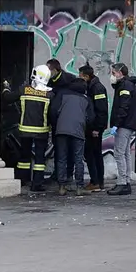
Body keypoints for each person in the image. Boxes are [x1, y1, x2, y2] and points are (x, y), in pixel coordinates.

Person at [1, 65, 54, 191]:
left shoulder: (24, 90)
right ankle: (37, 184)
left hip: (25, 131)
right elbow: (53, 113)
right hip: (42, 132)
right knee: (40, 160)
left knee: (24, 157)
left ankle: (23, 180)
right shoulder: (49, 94)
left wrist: (5, 88)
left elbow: (8, 98)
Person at [50, 78, 94, 196]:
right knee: (78, 159)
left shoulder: (62, 95)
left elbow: (53, 110)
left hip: (61, 129)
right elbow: (91, 117)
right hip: (78, 131)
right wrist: (85, 125)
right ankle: (79, 187)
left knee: (61, 158)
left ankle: (61, 187)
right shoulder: (86, 100)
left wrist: (56, 123)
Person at [107, 63, 136, 196]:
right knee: (125, 153)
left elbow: (124, 106)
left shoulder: (125, 86)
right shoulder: (125, 85)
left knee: (119, 153)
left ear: (120, 73)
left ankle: (122, 182)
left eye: (113, 73)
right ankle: (125, 181)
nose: (112, 75)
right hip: (127, 124)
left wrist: (117, 123)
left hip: (124, 124)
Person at [47, 59, 78, 187]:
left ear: (55, 70)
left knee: (69, 149)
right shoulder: (49, 80)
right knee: (58, 148)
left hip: (67, 119)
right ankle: (58, 174)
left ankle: (69, 174)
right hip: (56, 121)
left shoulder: (69, 80)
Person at [78, 65, 108, 192]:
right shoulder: (92, 86)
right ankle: (97, 181)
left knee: (92, 154)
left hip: (95, 128)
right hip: (93, 127)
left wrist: (97, 128)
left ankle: (96, 181)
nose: (80, 78)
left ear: (86, 76)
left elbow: (101, 110)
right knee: (94, 153)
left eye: (81, 76)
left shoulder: (97, 88)